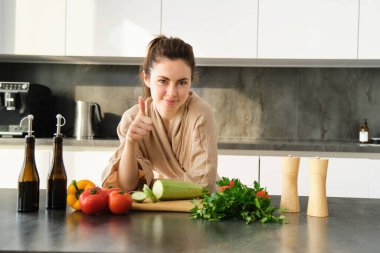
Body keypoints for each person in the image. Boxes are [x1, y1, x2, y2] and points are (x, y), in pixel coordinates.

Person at [101, 35, 218, 192]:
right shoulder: (132, 119)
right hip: (157, 204)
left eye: (182, 82)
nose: (172, 93)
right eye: (163, 81)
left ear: (191, 81)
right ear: (147, 78)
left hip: (197, 205)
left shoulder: (201, 113)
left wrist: (154, 188)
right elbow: (127, 186)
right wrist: (130, 142)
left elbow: (203, 182)